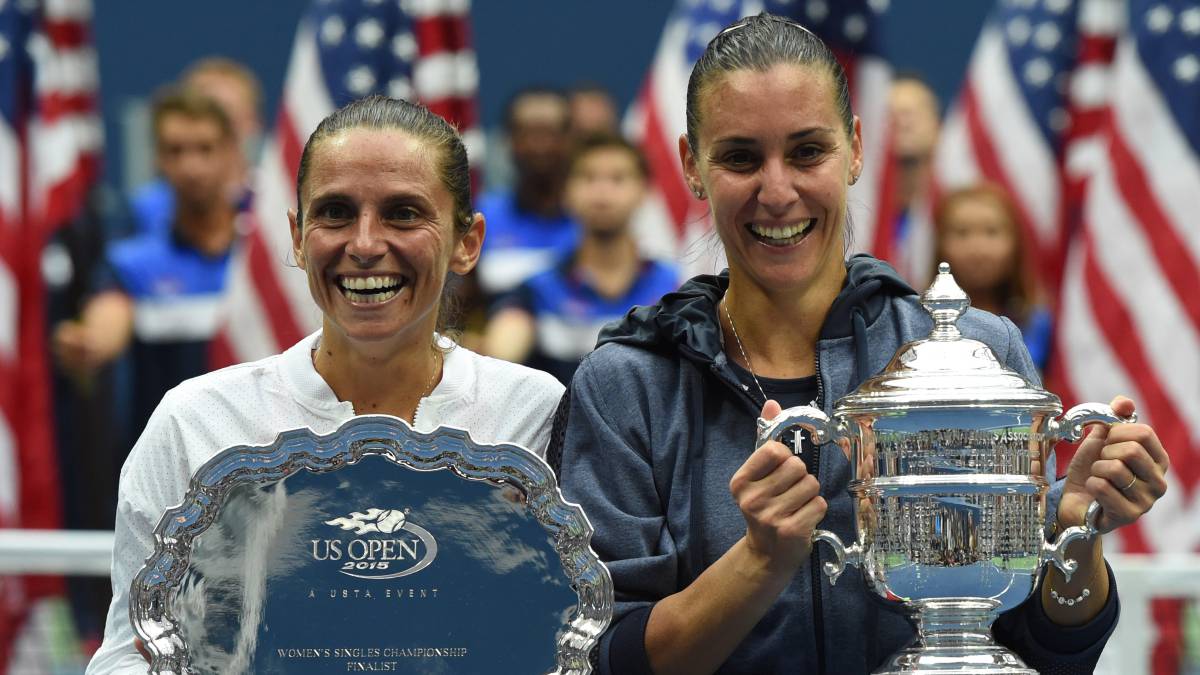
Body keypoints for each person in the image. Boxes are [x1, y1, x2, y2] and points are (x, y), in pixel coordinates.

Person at [551, 14, 1169, 675]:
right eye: (740, 158)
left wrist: (1074, 533)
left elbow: (1047, 653)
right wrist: (757, 562)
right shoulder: (628, 385)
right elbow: (598, 657)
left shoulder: (980, 355)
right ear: (691, 167)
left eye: (807, 152)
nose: (777, 191)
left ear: (854, 148)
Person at [86, 95, 564, 674]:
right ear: (296, 235)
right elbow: (128, 653)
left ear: (468, 242)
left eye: (403, 214)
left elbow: (574, 638)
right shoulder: (196, 421)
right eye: (335, 212)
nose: (364, 245)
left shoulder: (536, 413)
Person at [53, 88, 243, 445]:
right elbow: (109, 316)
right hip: (170, 461)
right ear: (157, 159)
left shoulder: (268, 252)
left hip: (267, 463)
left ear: (232, 153)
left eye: (205, 149)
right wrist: (89, 342)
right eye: (175, 151)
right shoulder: (132, 262)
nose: (191, 167)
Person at [484, 134, 679, 384]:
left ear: (644, 191)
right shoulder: (537, 289)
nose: (602, 191)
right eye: (588, 177)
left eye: (618, 178)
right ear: (566, 192)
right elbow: (500, 355)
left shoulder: (675, 289)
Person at [129, 57, 264, 238]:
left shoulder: (276, 198)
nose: (212, 124)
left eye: (225, 114)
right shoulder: (148, 207)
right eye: (201, 111)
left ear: (253, 122)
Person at [934, 182, 1053, 372]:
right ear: (939, 243)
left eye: (991, 232)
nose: (977, 250)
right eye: (962, 233)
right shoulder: (919, 321)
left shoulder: (1039, 324)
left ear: (1015, 242)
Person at [475, 87, 578, 296]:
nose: (539, 145)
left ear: (571, 139)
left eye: (550, 132)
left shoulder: (596, 218)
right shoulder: (480, 215)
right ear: (508, 140)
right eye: (527, 133)